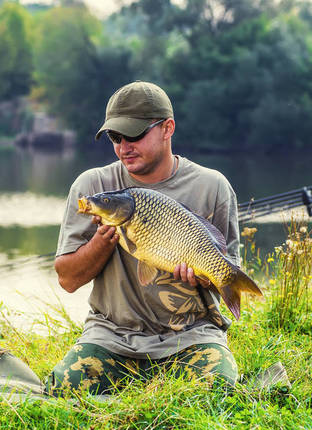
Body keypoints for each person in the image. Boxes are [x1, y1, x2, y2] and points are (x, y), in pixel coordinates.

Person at [46, 81, 241, 396]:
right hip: (111, 335)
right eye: (115, 137)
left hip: (191, 336)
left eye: (134, 135)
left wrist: (202, 277)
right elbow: (67, 280)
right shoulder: (94, 187)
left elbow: (226, 272)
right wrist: (104, 238)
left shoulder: (212, 187)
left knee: (219, 392)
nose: (124, 147)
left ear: (167, 129)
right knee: (64, 389)